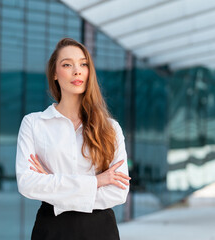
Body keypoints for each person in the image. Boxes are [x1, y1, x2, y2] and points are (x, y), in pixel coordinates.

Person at [15, 37, 131, 240]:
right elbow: (27, 184)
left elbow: (118, 193)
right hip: (51, 230)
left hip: (100, 231)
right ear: (55, 74)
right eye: (67, 64)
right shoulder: (34, 124)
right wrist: (96, 181)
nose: (77, 71)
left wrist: (53, 185)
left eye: (83, 64)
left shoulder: (110, 128)